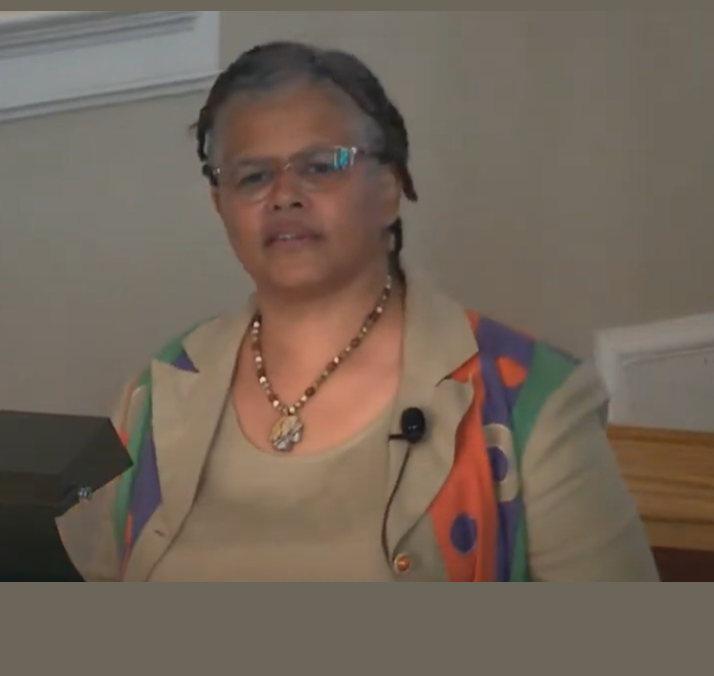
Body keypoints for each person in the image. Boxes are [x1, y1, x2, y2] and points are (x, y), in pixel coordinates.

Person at [57, 41, 660, 582]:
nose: (285, 195)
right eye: (253, 175)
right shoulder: (156, 396)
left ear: (390, 185)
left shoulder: (532, 405)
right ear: (221, 205)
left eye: (321, 166)